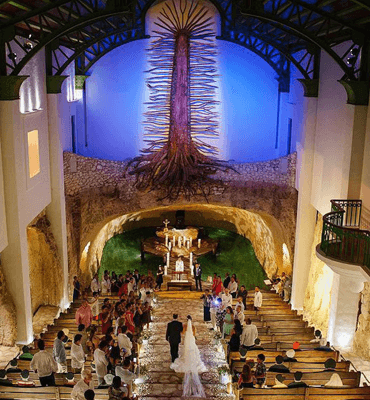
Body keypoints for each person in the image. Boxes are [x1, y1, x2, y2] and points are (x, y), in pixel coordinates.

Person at [170, 315, 206, 397]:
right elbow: (194, 334)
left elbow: (182, 333)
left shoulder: (185, 326)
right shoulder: (193, 327)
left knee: (185, 350)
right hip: (191, 339)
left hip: (186, 340)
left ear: (187, 320)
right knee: (193, 349)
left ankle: (186, 358)